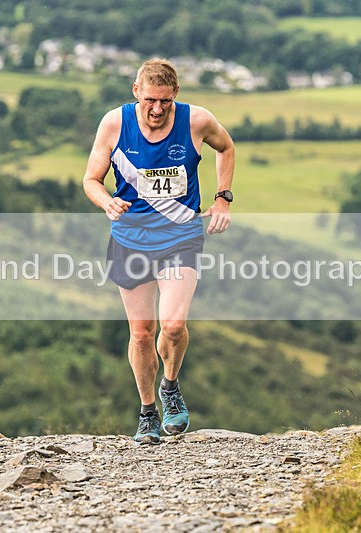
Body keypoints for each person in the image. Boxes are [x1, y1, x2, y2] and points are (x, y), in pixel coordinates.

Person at [82, 58, 235, 444]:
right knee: (141, 333)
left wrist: (222, 198)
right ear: (136, 92)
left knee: (173, 325)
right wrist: (106, 202)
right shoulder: (115, 123)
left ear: (175, 95)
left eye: (165, 101)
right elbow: (91, 179)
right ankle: (148, 411)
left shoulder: (196, 121)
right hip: (130, 239)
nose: (157, 109)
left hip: (180, 236)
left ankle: (170, 386)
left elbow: (226, 147)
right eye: (150, 99)